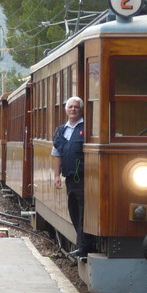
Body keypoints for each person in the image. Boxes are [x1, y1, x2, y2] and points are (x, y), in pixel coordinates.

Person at [52, 96, 89, 258]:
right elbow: (57, 154)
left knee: (82, 211)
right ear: (66, 110)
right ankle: (81, 242)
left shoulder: (87, 128)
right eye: (70, 107)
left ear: (81, 110)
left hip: (83, 177)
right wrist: (56, 175)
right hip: (69, 178)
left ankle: (83, 245)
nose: (73, 109)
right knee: (73, 209)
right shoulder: (61, 130)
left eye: (76, 107)